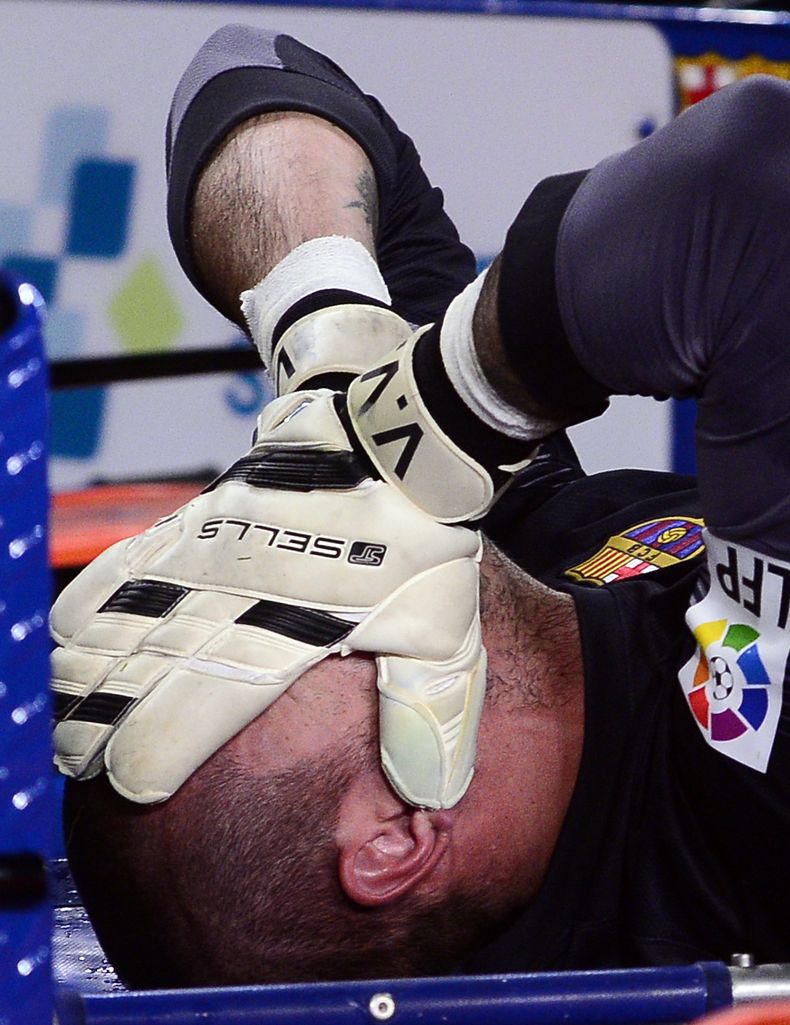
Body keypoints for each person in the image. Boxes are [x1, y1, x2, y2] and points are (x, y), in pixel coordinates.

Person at [53, 26, 790, 989]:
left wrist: (331, 359)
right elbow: (750, 193)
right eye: (253, 635)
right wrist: (452, 404)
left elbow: (251, 68)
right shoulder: (734, 829)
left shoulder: (473, 573)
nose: (257, 548)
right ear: (398, 834)